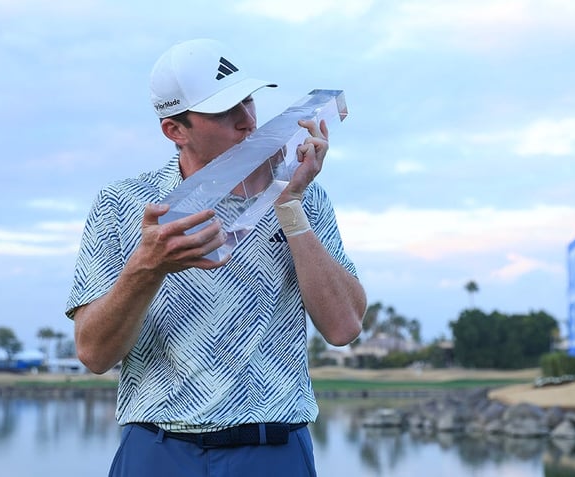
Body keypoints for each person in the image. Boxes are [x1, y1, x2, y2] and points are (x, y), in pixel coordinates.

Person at [65, 38, 366, 477]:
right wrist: (147, 268)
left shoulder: (303, 192)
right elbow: (94, 354)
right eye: (225, 111)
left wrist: (290, 205)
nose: (248, 121)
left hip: (274, 447)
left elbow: (344, 328)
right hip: (158, 448)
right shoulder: (123, 204)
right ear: (175, 130)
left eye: (248, 101)